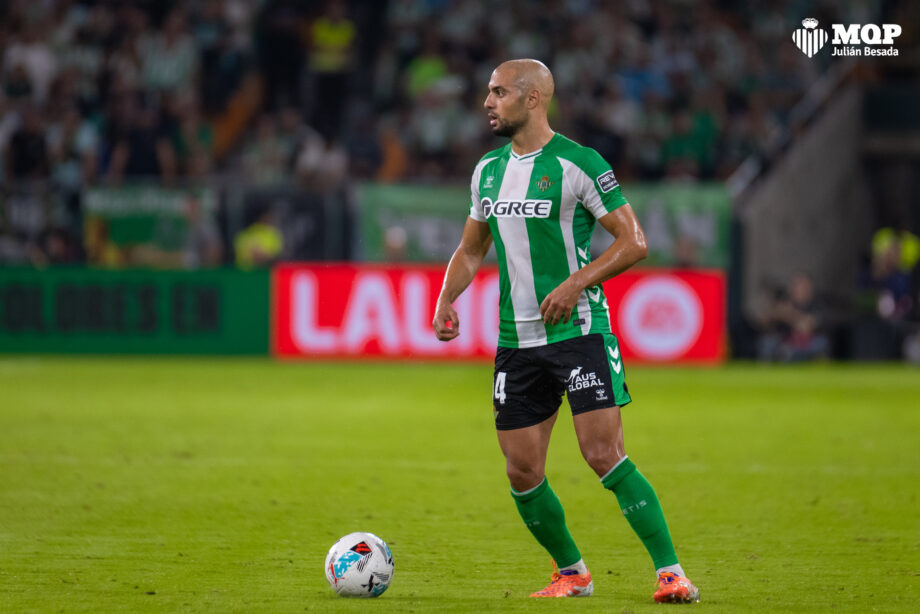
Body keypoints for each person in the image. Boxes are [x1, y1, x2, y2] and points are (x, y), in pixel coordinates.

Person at [432, 59, 700, 604]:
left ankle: (671, 573)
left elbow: (634, 242)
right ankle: (573, 573)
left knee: (603, 453)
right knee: (521, 470)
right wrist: (446, 297)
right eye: (488, 92)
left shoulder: (580, 163)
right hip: (516, 341)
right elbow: (471, 248)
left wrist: (576, 283)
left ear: (532, 98)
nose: (487, 102)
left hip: (578, 332)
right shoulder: (487, 171)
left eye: (498, 92)